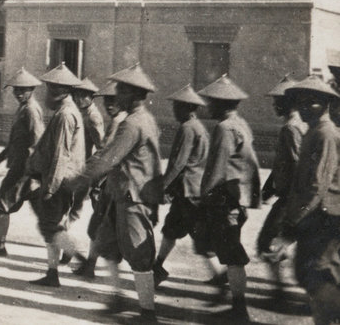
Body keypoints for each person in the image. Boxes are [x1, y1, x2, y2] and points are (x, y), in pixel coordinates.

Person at [71, 64, 163, 321]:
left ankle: (148, 312)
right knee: (107, 243)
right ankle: (118, 297)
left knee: (139, 254)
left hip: (132, 196)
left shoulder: (132, 124)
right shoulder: (143, 120)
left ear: (134, 94)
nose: (117, 94)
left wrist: (79, 180)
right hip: (118, 193)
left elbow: (107, 159)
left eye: (122, 90)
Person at [196, 74, 262, 323]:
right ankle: (236, 303)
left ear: (221, 104)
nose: (207, 105)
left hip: (225, 201)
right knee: (229, 251)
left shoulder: (224, 128)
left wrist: (202, 198)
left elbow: (216, 168)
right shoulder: (240, 124)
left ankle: (239, 309)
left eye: (211, 101)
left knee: (232, 255)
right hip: (237, 199)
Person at [278, 76, 340, 325]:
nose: (303, 108)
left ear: (325, 105)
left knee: (317, 274)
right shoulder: (313, 131)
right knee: (309, 273)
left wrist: (294, 220)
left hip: (326, 216)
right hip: (317, 215)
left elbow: (318, 184)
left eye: (310, 103)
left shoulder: (325, 133)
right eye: (299, 102)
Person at [26, 62, 86, 287]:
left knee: (50, 226)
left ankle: (76, 257)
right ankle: (53, 272)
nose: (47, 93)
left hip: (59, 182)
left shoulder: (65, 115)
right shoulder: (66, 112)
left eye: (51, 88)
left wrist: (49, 188)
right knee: (50, 225)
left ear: (60, 90)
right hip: (60, 180)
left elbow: (60, 155)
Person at [152, 84, 218, 286]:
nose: (174, 111)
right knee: (172, 229)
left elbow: (178, 162)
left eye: (177, 107)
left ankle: (220, 272)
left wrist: (163, 185)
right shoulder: (199, 128)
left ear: (187, 108)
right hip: (192, 189)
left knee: (197, 235)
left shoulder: (187, 128)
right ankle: (158, 267)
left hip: (188, 190)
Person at [255, 75, 307, 300]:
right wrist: (268, 190)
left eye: (279, 100)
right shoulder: (301, 123)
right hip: (294, 196)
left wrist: (287, 197)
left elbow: (297, 164)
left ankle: (280, 291)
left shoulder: (291, 128)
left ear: (291, 102)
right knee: (283, 241)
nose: (274, 104)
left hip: (291, 198)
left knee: (267, 242)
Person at [0, 66, 45, 257]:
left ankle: (0, 247)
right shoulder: (23, 108)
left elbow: (36, 141)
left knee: (2, 204)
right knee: (44, 216)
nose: (18, 93)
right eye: (16, 89)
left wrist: (28, 169)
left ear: (32, 90)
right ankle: (69, 252)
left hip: (23, 169)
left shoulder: (31, 110)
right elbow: (17, 140)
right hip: (22, 167)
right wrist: (3, 156)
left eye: (23, 90)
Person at [73, 79, 125, 278]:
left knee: (106, 229)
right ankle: (90, 265)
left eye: (115, 101)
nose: (110, 105)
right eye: (107, 101)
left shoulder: (119, 123)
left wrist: (88, 173)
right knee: (99, 226)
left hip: (109, 183)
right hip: (106, 182)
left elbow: (104, 152)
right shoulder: (117, 121)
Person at [70, 77, 105, 229]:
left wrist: (91, 168)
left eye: (83, 96)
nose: (78, 99)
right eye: (76, 95)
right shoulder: (82, 113)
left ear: (91, 98)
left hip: (85, 168)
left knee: (78, 206)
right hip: (77, 165)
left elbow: (101, 146)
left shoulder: (93, 117)